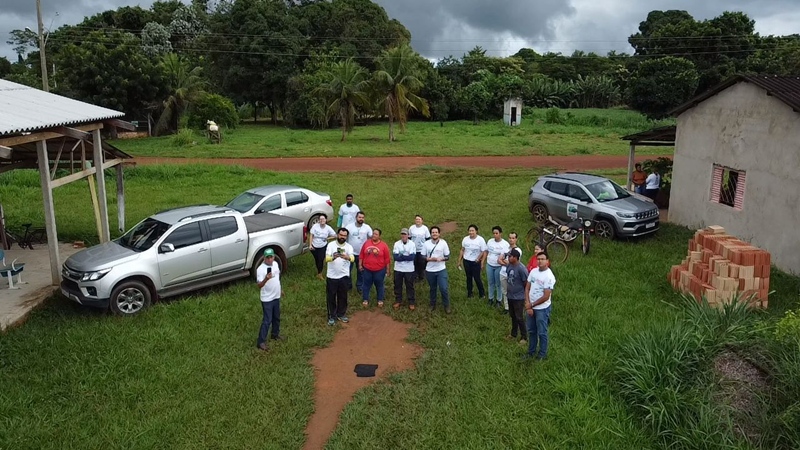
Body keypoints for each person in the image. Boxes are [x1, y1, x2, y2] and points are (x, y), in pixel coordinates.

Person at [524, 251, 555, 361]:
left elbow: (546, 296)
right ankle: (531, 352)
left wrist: (531, 305)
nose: (540, 261)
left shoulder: (549, 276)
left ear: (547, 261)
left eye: (542, 259)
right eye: (538, 259)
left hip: (542, 309)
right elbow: (527, 288)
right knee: (532, 331)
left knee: (542, 332)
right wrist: (528, 304)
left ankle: (542, 354)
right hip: (530, 306)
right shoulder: (533, 271)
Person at [325, 228, 355, 326]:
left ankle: (341, 314)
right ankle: (332, 316)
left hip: (344, 276)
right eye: (341, 235)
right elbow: (327, 258)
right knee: (331, 297)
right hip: (332, 276)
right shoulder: (331, 245)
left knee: (343, 296)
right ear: (337, 235)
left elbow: (352, 258)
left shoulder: (349, 247)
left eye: (344, 236)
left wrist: (347, 257)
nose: (342, 237)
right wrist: (334, 257)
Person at [256, 248, 284, 351]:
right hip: (267, 299)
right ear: (264, 258)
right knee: (267, 320)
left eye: (271, 257)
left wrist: (280, 289)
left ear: (274, 257)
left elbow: (277, 278)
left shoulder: (276, 264)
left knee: (276, 317)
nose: (269, 259)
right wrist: (266, 279)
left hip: (276, 296)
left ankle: (275, 334)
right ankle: (261, 342)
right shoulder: (260, 269)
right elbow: (259, 285)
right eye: (267, 257)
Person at [359, 228, 391, 308]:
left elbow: (387, 258)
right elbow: (361, 254)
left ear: (379, 236)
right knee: (366, 285)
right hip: (367, 269)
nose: (374, 235)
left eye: (376, 234)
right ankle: (365, 299)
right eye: (373, 233)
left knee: (379, 285)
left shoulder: (383, 245)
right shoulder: (366, 243)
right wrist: (360, 265)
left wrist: (387, 269)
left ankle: (380, 300)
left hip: (380, 270)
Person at [424, 226, 451, 314]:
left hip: (441, 269)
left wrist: (441, 259)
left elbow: (447, 257)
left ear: (439, 234)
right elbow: (423, 256)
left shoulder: (443, 243)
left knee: (443, 288)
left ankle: (446, 305)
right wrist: (429, 259)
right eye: (433, 232)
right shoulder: (426, 244)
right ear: (430, 234)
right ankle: (432, 304)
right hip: (430, 270)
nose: (434, 234)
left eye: (436, 232)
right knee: (432, 288)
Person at [345, 211, 373, 294]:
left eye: (362, 217)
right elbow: (344, 237)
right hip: (350, 253)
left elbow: (372, 238)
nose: (361, 219)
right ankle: (348, 285)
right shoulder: (349, 227)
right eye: (359, 217)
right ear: (356, 218)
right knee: (347, 270)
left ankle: (360, 286)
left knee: (361, 271)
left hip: (362, 254)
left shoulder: (367, 227)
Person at [457, 224, 486, 300]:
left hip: (476, 262)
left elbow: (483, 251)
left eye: (472, 230)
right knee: (468, 278)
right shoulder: (465, 239)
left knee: (477, 278)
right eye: (470, 231)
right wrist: (459, 260)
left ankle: (482, 294)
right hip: (466, 261)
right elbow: (462, 250)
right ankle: (469, 293)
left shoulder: (480, 240)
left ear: (476, 231)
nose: (471, 232)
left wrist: (478, 259)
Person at [505, 249, 528, 344]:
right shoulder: (509, 265)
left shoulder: (521, 269)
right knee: (513, 315)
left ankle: (524, 336)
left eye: (510, 256)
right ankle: (513, 333)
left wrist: (525, 296)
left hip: (518, 297)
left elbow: (526, 283)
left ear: (515, 257)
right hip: (510, 295)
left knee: (519, 317)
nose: (508, 258)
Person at [392, 227, 417, 310]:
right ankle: (398, 300)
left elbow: (412, 257)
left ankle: (411, 302)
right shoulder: (397, 244)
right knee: (397, 285)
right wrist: (406, 256)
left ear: (408, 235)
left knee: (410, 285)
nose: (403, 236)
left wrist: (401, 256)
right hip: (398, 268)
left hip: (409, 269)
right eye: (402, 234)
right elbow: (395, 257)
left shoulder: (412, 244)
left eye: (405, 234)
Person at [498, 231, 522, 314]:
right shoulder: (505, 248)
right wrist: (507, 263)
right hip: (503, 273)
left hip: (512, 274)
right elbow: (499, 260)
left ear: (516, 239)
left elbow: (514, 263)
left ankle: (514, 308)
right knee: (504, 291)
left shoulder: (518, 250)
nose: (511, 240)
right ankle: (507, 308)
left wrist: (505, 262)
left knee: (512, 291)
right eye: (510, 238)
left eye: (513, 238)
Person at [485, 226, 509, 309]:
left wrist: (502, 262)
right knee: (490, 283)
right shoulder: (490, 241)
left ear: (500, 233)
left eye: (497, 233)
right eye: (494, 233)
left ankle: (499, 300)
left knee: (498, 284)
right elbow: (487, 251)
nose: (495, 235)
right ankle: (490, 298)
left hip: (499, 266)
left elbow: (506, 256)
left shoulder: (505, 244)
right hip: (489, 264)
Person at [308, 215, 336, 280]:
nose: (322, 220)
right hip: (314, 246)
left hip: (322, 246)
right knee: (317, 259)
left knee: (321, 259)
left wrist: (328, 238)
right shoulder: (315, 226)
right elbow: (311, 235)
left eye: (323, 219)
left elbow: (335, 236)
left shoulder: (328, 228)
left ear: (326, 220)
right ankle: (319, 270)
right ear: (318, 220)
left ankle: (319, 274)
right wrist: (310, 245)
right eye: (320, 219)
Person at [409, 215, 431, 282]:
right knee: (414, 262)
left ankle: (421, 276)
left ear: (422, 221)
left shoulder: (425, 228)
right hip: (413, 250)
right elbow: (409, 238)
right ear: (415, 220)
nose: (418, 220)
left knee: (422, 263)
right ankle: (415, 276)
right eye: (416, 219)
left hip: (422, 250)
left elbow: (428, 239)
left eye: (419, 219)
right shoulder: (411, 228)